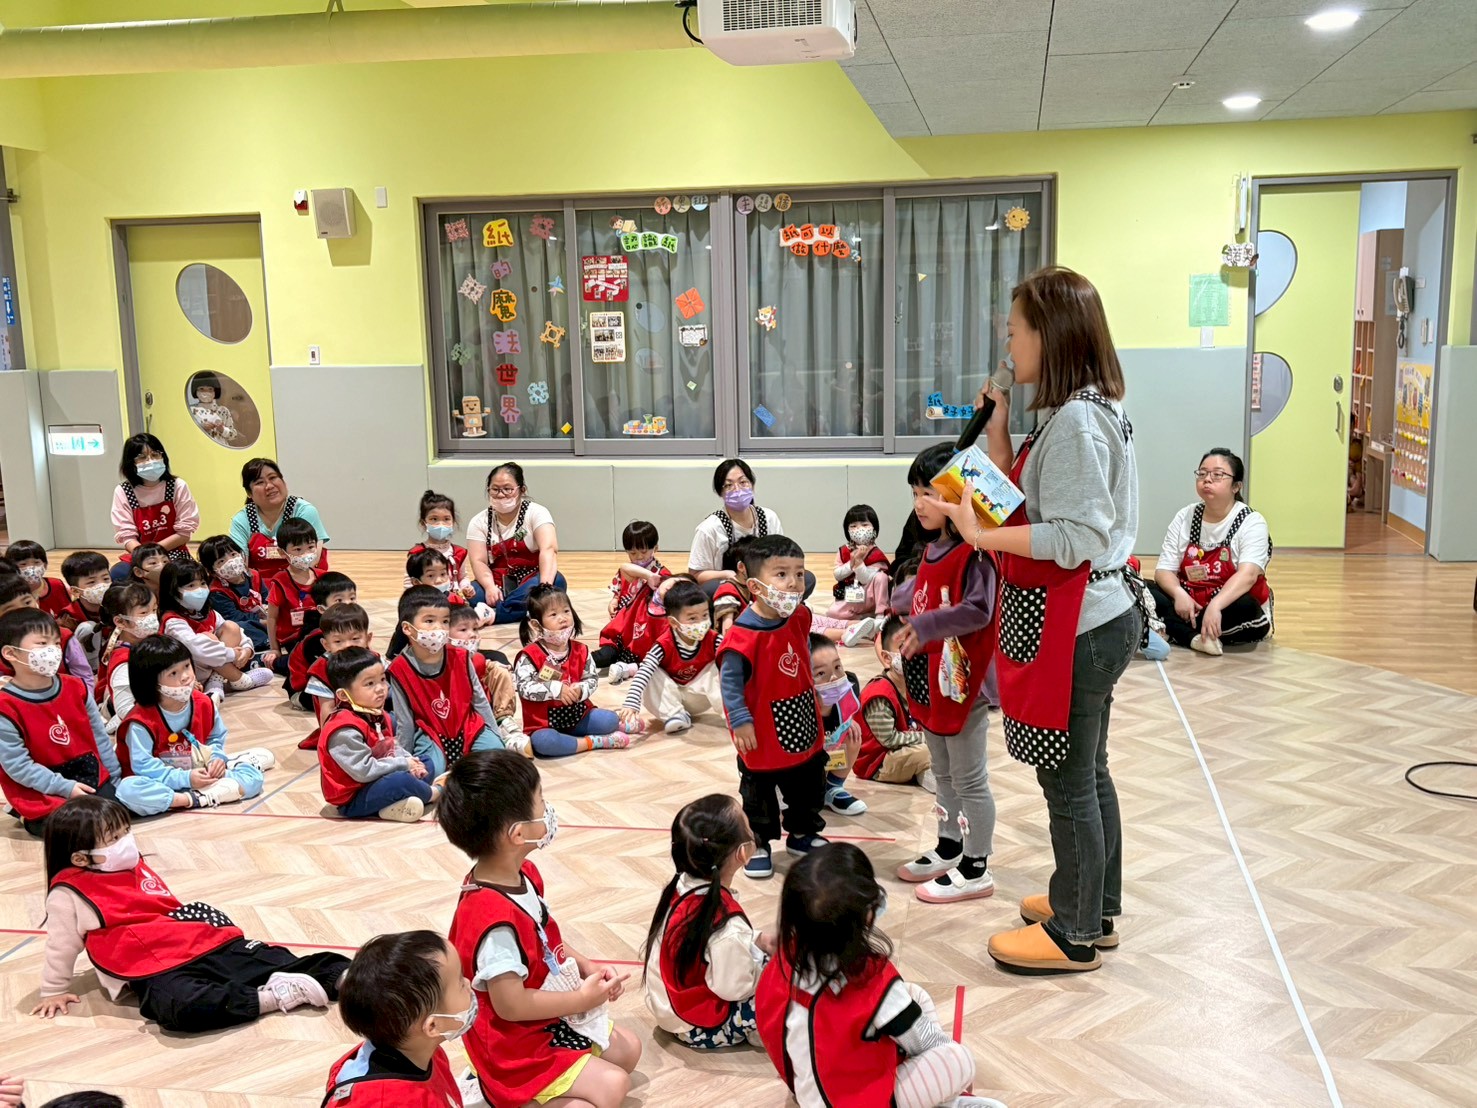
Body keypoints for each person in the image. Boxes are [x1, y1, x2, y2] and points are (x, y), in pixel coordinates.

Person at [935, 266, 1145, 974]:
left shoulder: (1079, 421)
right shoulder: (1078, 411)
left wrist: (980, 535)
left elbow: (1076, 536)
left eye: (1014, 331)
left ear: (1049, 336)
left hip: (1082, 622)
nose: (1008, 345)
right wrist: (997, 437)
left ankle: (1074, 932)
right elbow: (1031, 502)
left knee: (1068, 781)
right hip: (1092, 616)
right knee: (1088, 772)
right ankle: (1093, 904)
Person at [32, 794, 350, 1031]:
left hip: (195, 938)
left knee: (271, 959)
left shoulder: (129, 864)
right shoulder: (68, 894)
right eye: (114, 838)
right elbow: (61, 945)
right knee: (178, 1005)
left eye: (126, 831)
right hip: (153, 966)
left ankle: (350, 980)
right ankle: (271, 997)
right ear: (80, 859)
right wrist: (53, 990)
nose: (126, 841)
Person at [441, 751, 642, 1108]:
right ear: (518, 834)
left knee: (630, 1051)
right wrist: (582, 1000)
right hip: (512, 1045)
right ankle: (496, 1090)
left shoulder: (522, 876)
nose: (548, 810)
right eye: (541, 801)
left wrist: (585, 966)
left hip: (545, 1016)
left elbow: (542, 937)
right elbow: (511, 1005)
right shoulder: (493, 922)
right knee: (613, 1087)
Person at [755, 843, 1004, 1108]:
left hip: (810, 1092)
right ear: (866, 915)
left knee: (913, 997)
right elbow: (928, 1041)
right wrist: (944, 1069)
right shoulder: (872, 983)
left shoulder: (779, 964)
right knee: (959, 1060)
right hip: (856, 1101)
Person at [890, 443, 1000, 907]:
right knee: (943, 771)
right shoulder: (932, 549)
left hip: (964, 685)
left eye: (930, 493)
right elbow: (916, 595)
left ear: (959, 497)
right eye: (915, 493)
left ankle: (976, 865)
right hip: (931, 680)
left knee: (969, 777)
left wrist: (924, 623)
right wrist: (894, 610)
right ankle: (950, 845)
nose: (920, 504)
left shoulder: (977, 553)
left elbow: (978, 610)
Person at [717, 534, 827, 880]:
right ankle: (760, 843)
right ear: (754, 585)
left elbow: (802, 656)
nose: (793, 583)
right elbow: (730, 685)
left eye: (799, 573)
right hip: (760, 730)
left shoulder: (799, 616)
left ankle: (802, 833)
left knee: (809, 784)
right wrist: (740, 721)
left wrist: (815, 693)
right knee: (759, 794)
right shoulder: (741, 637)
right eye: (781, 574)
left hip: (802, 717)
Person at [0, 609, 154, 835]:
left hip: (87, 772)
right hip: (43, 786)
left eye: (56, 643)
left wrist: (114, 777)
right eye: (42, 644)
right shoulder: (6, 706)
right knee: (78, 827)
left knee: (117, 814)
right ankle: (23, 813)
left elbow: (99, 736)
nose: (53, 650)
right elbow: (18, 765)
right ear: (11, 653)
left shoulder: (76, 687)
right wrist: (65, 787)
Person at [643, 793, 773, 1050]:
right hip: (699, 1027)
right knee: (781, 977)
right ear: (743, 852)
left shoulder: (681, 887)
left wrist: (754, 940)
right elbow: (734, 988)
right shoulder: (727, 926)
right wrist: (761, 964)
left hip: (669, 1008)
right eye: (748, 825)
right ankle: (761, 1031)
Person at [119, 635, 271, 811]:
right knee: (128, 790)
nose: (185, 676)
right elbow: (143, 766)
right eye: (173, 673)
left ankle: (227, 768)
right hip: (162, 781)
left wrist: (216, 760)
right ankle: (194, 798)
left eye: (187, 666)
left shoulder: (203, 703)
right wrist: (186, 779)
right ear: (150, 681)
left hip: (200, 770)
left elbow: (215, 738)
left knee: (254, 779)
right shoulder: (140, 722)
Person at [1149, 448, 1273, 656]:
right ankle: (1195, 638)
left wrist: (1215, 606)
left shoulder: (1251, 521)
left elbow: (1248, 575)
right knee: (1139, 589)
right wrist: (1179, 594)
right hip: (1189, 605)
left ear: (1236, 486)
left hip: (1229, 605)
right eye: (1202, 474)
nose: (1207, 480)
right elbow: (1163, 571)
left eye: (1217, 475)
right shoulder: (1185, 516)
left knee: (1245, 607)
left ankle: (1175, 630)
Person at [326, 930, 471, 1106]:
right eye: (460, 983)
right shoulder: (386, 1101)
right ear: (432, 1026)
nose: (469, 983)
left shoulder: (420, 1048)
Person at [513, 585, 645, 758]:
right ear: (536, 625)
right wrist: (555, 689)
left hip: (578, 715)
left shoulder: (581, 650)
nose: (562, 618)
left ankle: (617, 725)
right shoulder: (529, 656)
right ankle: (595, 742)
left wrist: (582, 689)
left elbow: (592, 679)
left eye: (566, 611)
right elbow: (524, 687)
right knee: (544, 743)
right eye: (553, 614)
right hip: (543, 724)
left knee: (609, 719)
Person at [387, 586, 503, 776]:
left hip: (468, 726)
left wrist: (497, 737)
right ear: (407, 628)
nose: (439, 628)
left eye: (445, 621)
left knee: (497, 761)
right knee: (428, 771)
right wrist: (405, 760)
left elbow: (480, 700)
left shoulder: (461, 656)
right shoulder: (399, 669)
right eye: (429, 621)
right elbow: (405, 721)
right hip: (430, 735)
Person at [320, 647, 444, 822]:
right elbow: (363, 771)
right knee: (401, 781)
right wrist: (404, 765)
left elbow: (392, 746)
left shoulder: (377, 714)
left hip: (378, 780)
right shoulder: (344, 729)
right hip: (354, 798)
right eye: (369, 684)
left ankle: (395, 805)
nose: (380, 688)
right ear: (343, 695)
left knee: (425, 762)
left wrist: (411, 761)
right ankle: (434, 793)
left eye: (383, 679)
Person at [688, 459, 815, 599]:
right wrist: (726, 575)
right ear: (720, 492)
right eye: (728, 485)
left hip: (767, 585)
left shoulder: (769, 517)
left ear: (752, 485)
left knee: (807, 579)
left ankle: (777, 606)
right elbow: (696, 574)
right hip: (732, 586)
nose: (737, 490)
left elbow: (783, 557)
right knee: (710, 588)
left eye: (743, 482)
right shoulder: (709, 528)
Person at [464, 463, 567, 624]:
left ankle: (495, 615)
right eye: (495, 489)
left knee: (557, 581)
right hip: (497, 583)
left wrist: (543, 588)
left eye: (508, 489)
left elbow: (549, 549)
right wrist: (489, 587)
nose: (501, 495)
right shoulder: (479, 521)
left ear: (522, 490)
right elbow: (478, 561)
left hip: (532, 580)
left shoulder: (537, 513)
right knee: (474, 593)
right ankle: (526, 609)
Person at [158, 560, 274, 700]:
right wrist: (233, 654)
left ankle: (215, 681)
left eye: (202, 583)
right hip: (187, 672)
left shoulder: (207, 612)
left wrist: (246, 650)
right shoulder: (172, 620)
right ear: (173, 590)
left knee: (230, 627)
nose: (200, 590)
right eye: (191, 586)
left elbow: (237, 632)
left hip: (210, 666)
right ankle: (240, 679)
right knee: (209, 638)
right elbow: (198, 649)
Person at [621, 578, 722, 734]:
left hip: (701, 697)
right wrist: (631, 703)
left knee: (724, 663)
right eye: (692, 618)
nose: (701, 622)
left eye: (704, 615)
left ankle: (732, 712)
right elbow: (643, 672)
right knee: (649, 671)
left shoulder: (714, 639)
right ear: (673, 622)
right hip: (670, 698)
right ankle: (675, 715)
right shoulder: (664, 644)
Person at [854, 616, 936, 792]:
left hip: (904, 749)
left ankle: (924, 772)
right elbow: (888, 739)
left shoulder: (915, 685)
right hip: (878, 762)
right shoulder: (879, 694)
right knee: (926, 752)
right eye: (903, 647)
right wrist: (926, 738)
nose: (913, 653)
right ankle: (926, 772)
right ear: (887, 657)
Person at [109, 433, 199, 583]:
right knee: (120, 573)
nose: (150, 461)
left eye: (155, 454)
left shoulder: (177, 486)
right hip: (140, 554)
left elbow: (184, 533)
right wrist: (146, 557)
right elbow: (127, 536)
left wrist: (156, 555)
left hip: (173, 551)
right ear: (131, 462)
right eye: (142, 457)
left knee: (186, 576)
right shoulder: (124, 491)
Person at [229, 457, 330, 580]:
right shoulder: (241, 520)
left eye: (273, 478)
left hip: (302, 581)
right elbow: (241, 566)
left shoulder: (304, 511)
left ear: (283, 482)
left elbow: (312, 560)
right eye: (260, 482)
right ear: (249, 493)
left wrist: (282, 586)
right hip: (260, 585)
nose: (269, 486)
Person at [447, 606, 525, 753]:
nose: (472, 634)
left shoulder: (478, 659)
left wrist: (494, 667)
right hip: (454, 718)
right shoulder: (442, 663)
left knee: (500, 671)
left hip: (480, 711)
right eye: (463, 630)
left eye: (475, 629)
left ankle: (503, 720)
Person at [0, 575, 94, 692]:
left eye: (27, 602)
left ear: (36, 600)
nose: (24, 610)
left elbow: (84, 675)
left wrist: (86, 698)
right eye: (10, 609)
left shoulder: (64, 636)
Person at [812, 504, 889, 646]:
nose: (859, 529)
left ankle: (879, 617)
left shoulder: (876, 554)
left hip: (870, 597)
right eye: (853, 526)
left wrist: (859, 563)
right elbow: (838, 574)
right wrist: (851, 563)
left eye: (864, 525)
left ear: (874, 529)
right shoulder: (843, 551)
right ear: (847, 530)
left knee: (881, 577)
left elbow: (865, 578)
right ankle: (862, 621)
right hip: (852, 596)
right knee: (832, 614)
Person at [808, 635, 867, 817]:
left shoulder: (850, 686)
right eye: (820, 674)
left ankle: (833, 787)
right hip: (796, 765)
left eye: (837, 667)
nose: (834, 677)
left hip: (827, 752)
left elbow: (846, 717)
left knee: (853, 733)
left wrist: (848, 721)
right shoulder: (800, 704)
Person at [263, 517, 327, 675]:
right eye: (298, 550)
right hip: (294, 638)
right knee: (308, 661)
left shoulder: (322, 577)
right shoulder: (280, 581)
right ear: (282, 552)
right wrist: (275, 649)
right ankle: (278, 663)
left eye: (310, 547)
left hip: (321, 633)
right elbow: (272, 618)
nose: (306, 554)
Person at [593, 571, 685, 683]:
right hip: (620, 642)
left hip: (641, 657)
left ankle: (628, 670)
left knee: (657, 667)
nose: (672, 587)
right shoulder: (648, 587)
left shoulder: (673, 617)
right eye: (675, 581)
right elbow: (625, 568)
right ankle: (577, 660)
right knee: (603, 657)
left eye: (678, 589)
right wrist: (648, 575)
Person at [284, 571, 358, 708]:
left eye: (352, 598)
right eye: (339, 600)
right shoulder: (316, 638)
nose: (348, 604)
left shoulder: (355, 626)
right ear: (322, 609)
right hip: (305, 690)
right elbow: (325, 675)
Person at [96, 583, 156, 732]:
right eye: (144, 613)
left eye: (154, 610)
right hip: (132, 714)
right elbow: (125, 710)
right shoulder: (122, 659)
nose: (152, 617)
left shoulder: (151, 638)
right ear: (120, 621)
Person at [407, 489, 483, 605]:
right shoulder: (417, 553)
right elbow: (409, 582)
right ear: (423, 523)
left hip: (453, 600)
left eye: (446, 519)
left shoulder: (459, 552)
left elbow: (462, 577)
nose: (441, 524)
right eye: (434, 519)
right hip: (427, 601)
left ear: (453, 522)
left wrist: (466, 587)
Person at [199, 534, 270, 653]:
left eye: (233, 555)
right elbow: (233, 617)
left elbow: (266, 597)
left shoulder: (254, 575)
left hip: (263, 619)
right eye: (221, 561)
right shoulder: (217, 591)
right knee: (239, 627)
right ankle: (266, 640)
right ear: (213, 571)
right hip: (242, 624)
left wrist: (271, 613)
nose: (231, 562)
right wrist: (262, 621)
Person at [607, 520, 670, 618]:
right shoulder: (625, 571)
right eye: (633, 553)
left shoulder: (662, 574)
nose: (639, 557)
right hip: (625, 615)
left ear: (655, 548)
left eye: (644, 552)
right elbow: (618, 592)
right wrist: (614, 601)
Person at [56, 552, 113, 652]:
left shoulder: (118, 605)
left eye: (106, 579)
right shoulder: (68, 618)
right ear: (75, 591)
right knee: (88, 629)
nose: (102, 585)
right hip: (84, 656)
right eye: (91, 582)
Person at [5, 540, 70, 619]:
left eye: (36, 562)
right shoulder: (8, 593)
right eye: (23, 564)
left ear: (45, 565)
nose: (31, 569)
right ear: (11, 568)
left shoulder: (57, 585)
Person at [712, 536, 755, 635]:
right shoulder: (728, 591)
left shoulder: (753, 585)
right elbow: (727, 632)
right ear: (741, 567)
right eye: (757, 564)